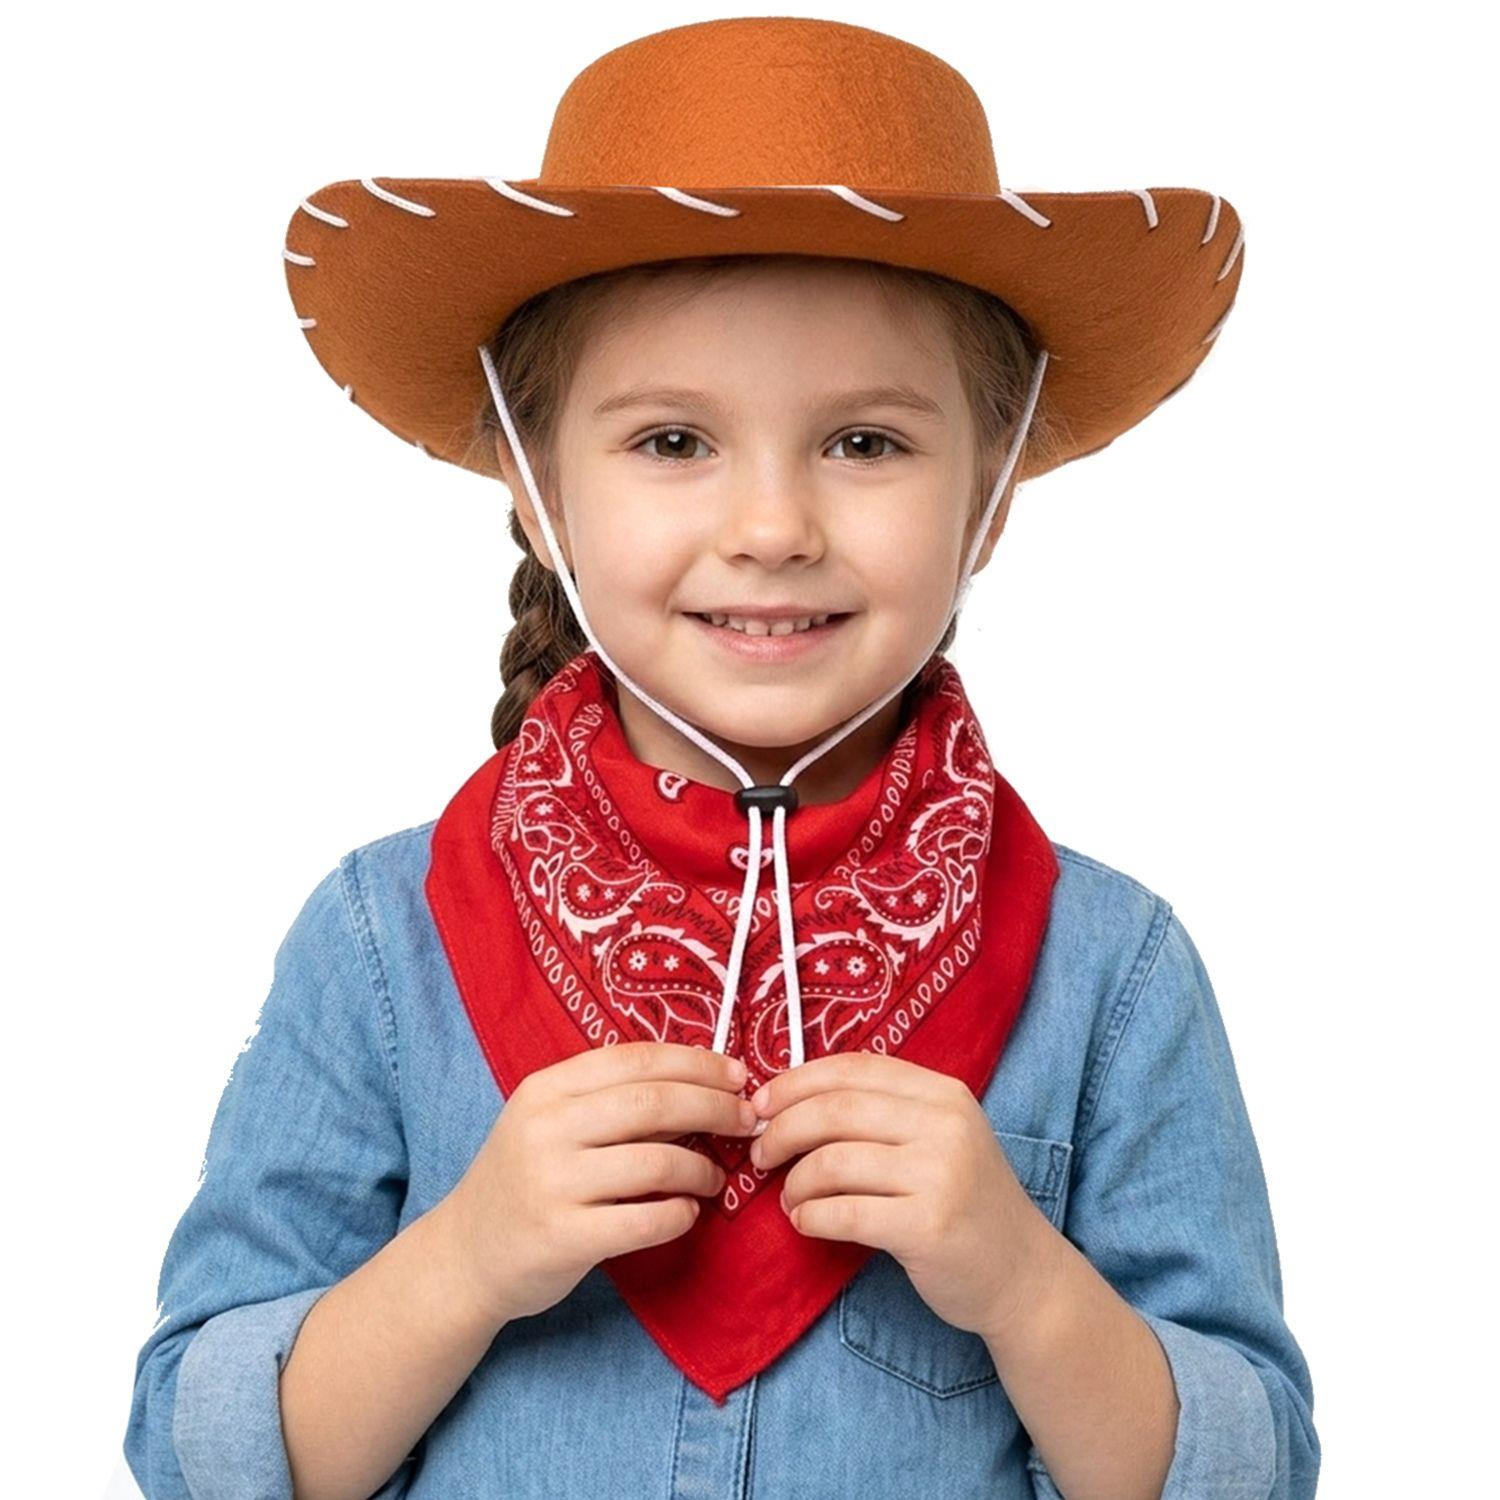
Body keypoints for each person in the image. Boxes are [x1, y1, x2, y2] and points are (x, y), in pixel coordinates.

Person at [123, 16, 1319, 1500]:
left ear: (991, 496)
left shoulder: (1113, 970)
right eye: (673, 442)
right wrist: (467, 1259)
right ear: (538, 491)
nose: (771, 528)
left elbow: (1251, 1469)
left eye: (866, 443)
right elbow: (199, 1455)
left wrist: (1024, 1283)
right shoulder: (383, 940)